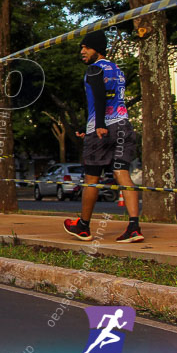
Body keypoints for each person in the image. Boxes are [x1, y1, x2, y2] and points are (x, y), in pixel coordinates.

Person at [64, 31, 144, 243]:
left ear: (97, 49)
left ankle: (83, 226)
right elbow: (110, 99)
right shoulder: (117, 70)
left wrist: (98, 124)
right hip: (123, 126)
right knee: (122, 173)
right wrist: (86, 125)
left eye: (86, 48)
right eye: (81, 48)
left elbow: (99, 96)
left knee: (92, 178)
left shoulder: (94, 69)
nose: (82, 52)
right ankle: (134, 227)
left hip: (101, 131)